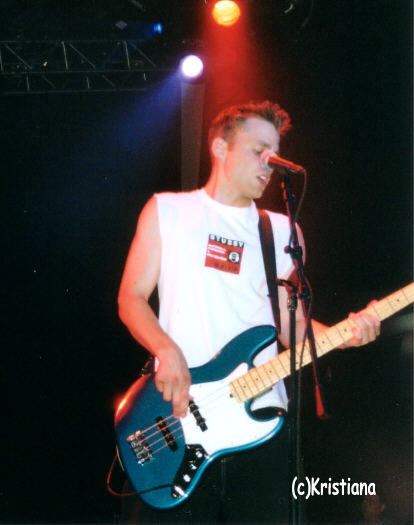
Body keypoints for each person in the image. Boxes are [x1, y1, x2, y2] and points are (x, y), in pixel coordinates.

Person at [117, 101, 381, 524]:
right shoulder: (168, 210)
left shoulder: (283, 231)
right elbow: (131, 297)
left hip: (259, 422)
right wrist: (166, 349)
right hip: (179, 413)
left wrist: (345, 335)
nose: (270, 164)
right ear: (220, 147)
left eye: (274, 154)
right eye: (259, 151)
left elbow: (292, 325)